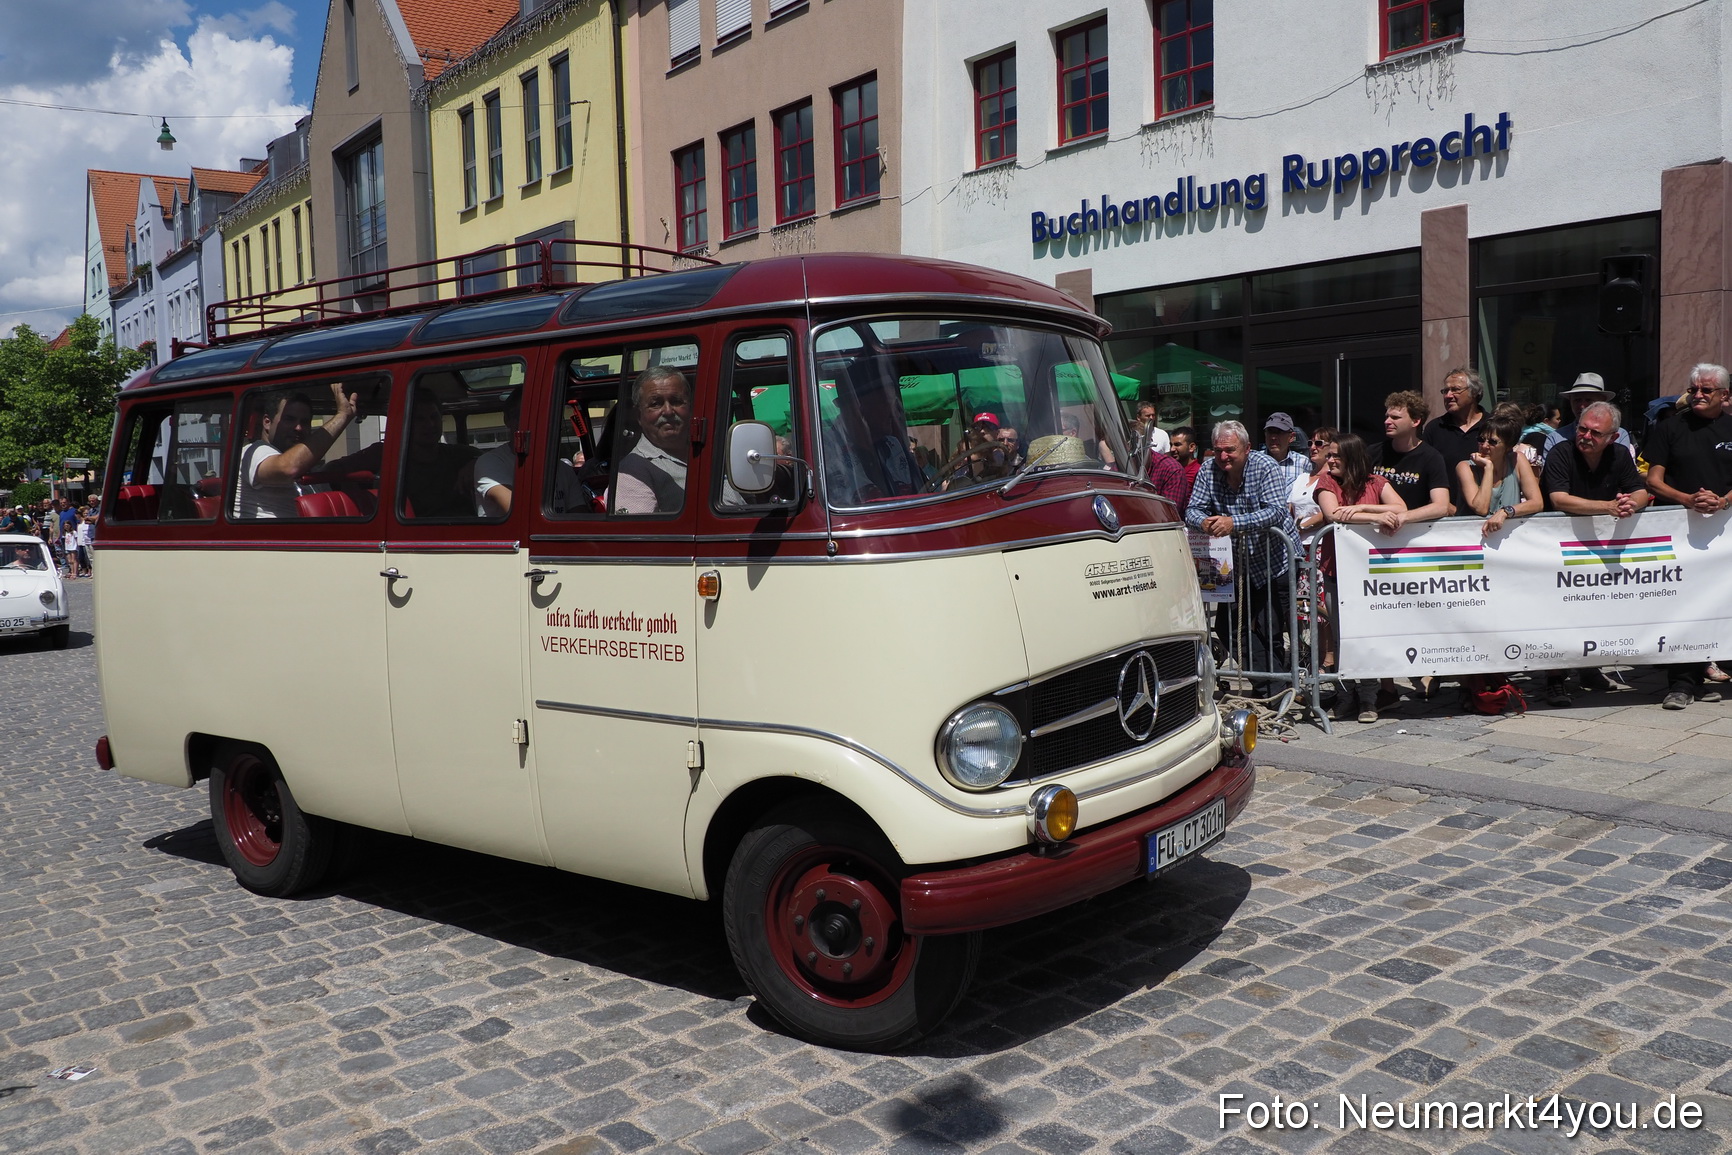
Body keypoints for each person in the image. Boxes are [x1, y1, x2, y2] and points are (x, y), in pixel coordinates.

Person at [1537, 400, 1650, 706]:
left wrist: (1631, 504)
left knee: (1595, 610)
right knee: (1558, 616)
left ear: (1612, 438)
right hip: (1561, 547)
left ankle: (1590, 669)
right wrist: (1609, 507)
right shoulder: (1562, 451)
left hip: (1600, 549)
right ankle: (1555, 680)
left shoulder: (1618, 455)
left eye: (1594, 433)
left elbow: (1640, 490)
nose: (1585, 436)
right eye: (1582, 429)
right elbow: (1559, 499)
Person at [1185, 421, 1298, 699]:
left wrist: (1234, 523)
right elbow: (1192, 510)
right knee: (1227, 627)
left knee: (1270, 629)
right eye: (1218, 450)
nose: (1224, 456)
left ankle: (1274, 689)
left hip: (1274, 561)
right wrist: (1206, 522)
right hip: (1235, 566)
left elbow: (1276, 512)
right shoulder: (1208, 470)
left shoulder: (1265, 466)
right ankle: (1274, 689)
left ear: (1247, 448)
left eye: (1230, 450)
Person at [1645, 363, 1732, 709]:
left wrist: (1724, 500)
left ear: (1724, 395)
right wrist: (1688, 500)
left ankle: (1710, 670)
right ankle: (1681, 683)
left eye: (1706, 390)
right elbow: (1652, 480)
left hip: (1726, 530)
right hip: (1683, 532)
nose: (1697, 395)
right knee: (1686, 606)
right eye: (1694, 388)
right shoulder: (1670, 427)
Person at [1314, 433, 1407, 722]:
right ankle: (1345, 696)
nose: (1329, 460)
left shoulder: (1376, 483)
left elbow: (1401, 508)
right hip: (1338, 572)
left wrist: (1366, 509)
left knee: (1368, 634)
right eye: (1328, 455)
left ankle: (1368, 699)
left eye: (1335, 455)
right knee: (1342, 637)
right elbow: (1333, 513)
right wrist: (1376, 518)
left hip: (1371, 575)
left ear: (1352, 457)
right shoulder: (1326, 483)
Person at [234, 384, 359, 518]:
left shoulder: (306, 464)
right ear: (267, 422)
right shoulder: (254, 451)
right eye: (289, 419)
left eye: (305, 422)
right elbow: (288, 469)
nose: (298, 428)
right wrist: (342, 416)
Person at [614, 366, 692, 514]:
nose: (668, 411)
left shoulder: (711, 453)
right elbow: (638, 534)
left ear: (691, 407)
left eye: (676, 401)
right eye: (656, 404)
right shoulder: (633, 472)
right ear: (638, 415)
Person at [1370, 391, 1451, 525]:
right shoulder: (1372, 452)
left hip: (1412, 534)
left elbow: (1441, 506)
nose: (1387, 422)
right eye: (1387, 417)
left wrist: (1405, 517)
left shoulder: (1431, 457)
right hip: (1369, 532)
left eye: (1395, 418)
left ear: (1415, 421)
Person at [1460, 414, 1543, 537]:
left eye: (1493, 442)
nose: (1484, 446)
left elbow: (1537, 503)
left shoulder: (1518, 460)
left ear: (1508, 446)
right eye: (1481, 440)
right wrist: (1488, 467)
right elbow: (1481, 508)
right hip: (1473, 540)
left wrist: (1506, 511)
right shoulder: (1465, 467)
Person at [1422, 367, 1490, 512]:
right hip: (1447, 516)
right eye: (1445, 391)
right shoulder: (1434, 428)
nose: (1448, 395)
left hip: (1490, 514)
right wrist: (1446, 506)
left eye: (1455, 389)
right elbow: (1424, 473)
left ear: (1474, 393)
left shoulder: (1492, 426)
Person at [1543, 374, 1636, 457]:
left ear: (1603, 401)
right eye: (1577, 400)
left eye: (1588, 400)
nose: (1582, 406)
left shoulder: (1619, 435)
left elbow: (1620, 469)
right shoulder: (1555, 437)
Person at [1259, 413, 1309, 485]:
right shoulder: (1255, 461)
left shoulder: (1302, 462)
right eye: (1270, 432)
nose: (1273, 437)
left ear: (1291, 437)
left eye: (1279, 432)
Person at [1170, 426, 1203, 503]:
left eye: (1177, 445)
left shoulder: (1199, 472)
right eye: (1171, 444)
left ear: (1191, 447)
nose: (1172, 449)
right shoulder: (1170, 470)